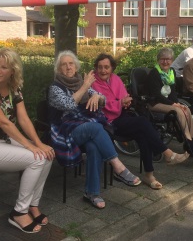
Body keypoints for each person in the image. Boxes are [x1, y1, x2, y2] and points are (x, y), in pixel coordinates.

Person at [0, 48, 54, 234]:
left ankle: (32, 206)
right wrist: (30, 146)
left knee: (46, 155)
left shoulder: (14, 88)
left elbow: (23, 119)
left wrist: (38, 143)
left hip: (2, 141)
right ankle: (19, 213)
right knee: (36, 158)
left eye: (3, 67)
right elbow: (4, 123)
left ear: (12, 70)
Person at [48, 51, 141, 209]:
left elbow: (102, 99)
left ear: (76, 66)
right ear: (59, 69)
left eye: (71, 63)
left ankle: (92, 193)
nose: (68, 66)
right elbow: (69, 104)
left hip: (84, 127)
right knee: (96, 127)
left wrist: (97, 97)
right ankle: (118, 166)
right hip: (65, 131)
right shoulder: (55, 88)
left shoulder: (78, 82)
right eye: (64, 64)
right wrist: (86, 86)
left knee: (93, 146)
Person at [92, 53, 189, 190]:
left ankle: (149, 175)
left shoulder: (115, 79)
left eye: (106, 67)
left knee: (143, 133)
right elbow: (103, 106)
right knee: (143, 123)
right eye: (100, 67)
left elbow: (124, 96)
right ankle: (167, 154)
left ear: (112, 68)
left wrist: (125, 102)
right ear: (96, 68)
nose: (103, 70)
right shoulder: (93, 83)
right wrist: (121, 103)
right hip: (107, 122)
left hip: (122, 116)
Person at [147, 48, 193, 155]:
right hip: (155, 103)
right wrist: (173, 104)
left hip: (167, 102)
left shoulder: (171, 72)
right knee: (178, 111)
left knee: (185, 109)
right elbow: (156, 95)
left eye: (168, 59)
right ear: (158, 60)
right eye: (162, 59)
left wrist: (177, 103)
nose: (165, 62)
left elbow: (172, 92)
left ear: (172, 61)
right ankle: (188, 141)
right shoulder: (154, 73)